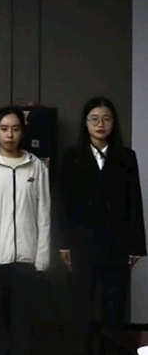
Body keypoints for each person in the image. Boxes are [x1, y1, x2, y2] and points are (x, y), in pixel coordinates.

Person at [58, 97, 146, 355]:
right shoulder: (72, 156)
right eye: (94, 119)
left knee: (114, 310)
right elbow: (63, 203)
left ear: (113, 123)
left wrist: (136, 246)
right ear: (85, 123)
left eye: (106, 119)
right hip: (82, 243)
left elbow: (134, 202)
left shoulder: (126, 157)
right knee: (82, 308)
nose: (100, 124)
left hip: (117, 244)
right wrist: (63, 244)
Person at [0, 106, 50, 354]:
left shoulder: (36, 166)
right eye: (4, 129)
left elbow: (44, 214)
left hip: (27, 260)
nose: (9, 135)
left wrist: (42, 256)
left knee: (23, 328)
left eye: (15, 129)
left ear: (23, 132)